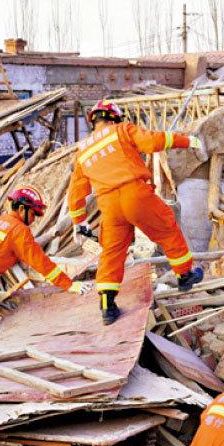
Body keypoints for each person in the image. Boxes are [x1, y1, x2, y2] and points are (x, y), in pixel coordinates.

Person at [67, 100, 203, 325]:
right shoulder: (122, 130)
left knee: (112, 252)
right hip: (134, 194)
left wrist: (79, 220)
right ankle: (184, 275)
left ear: (94, 121)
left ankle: (107, 307)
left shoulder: (82, 152)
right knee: (166, 229)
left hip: (108, 205)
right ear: (114, 117)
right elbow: (153, 141)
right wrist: (186, 140)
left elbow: (76, 191)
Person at [0, 186, 90, 351]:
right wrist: (69, 284)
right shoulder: (18, 231)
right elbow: (41, 262)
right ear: (21, 208)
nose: (33, 220)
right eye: (32, 214)